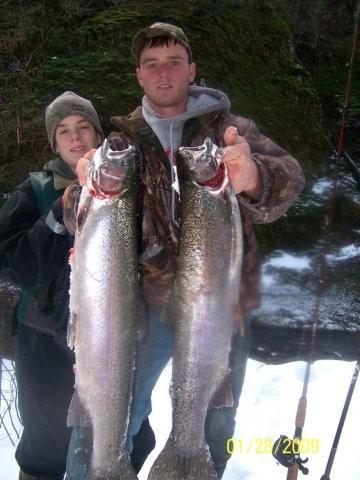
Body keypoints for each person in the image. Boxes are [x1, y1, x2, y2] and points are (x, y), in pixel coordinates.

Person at [67, 23, 305, 479]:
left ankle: (191, 464)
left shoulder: (231, 130)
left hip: (219, 301)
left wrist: (253, 176)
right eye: (152, 65)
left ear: (192, 70)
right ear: (138, 74)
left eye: (174, 62)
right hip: (140, 305)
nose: (163, 73)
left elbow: (290, 178)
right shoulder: (123, 140)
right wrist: (81, 190)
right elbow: (79, 215)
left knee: (213, 422)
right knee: (115, 417)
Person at [0, 91, 155, 480]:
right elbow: (14, 265)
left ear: (98, 135)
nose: (75, 137)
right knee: (46, 446)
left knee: (127, 435)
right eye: (64, 131)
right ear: (54, 143)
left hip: (116, 332)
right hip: (44, 342)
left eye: (83, 127)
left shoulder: (127, 184)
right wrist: (60, 211)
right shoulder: (34, 190)